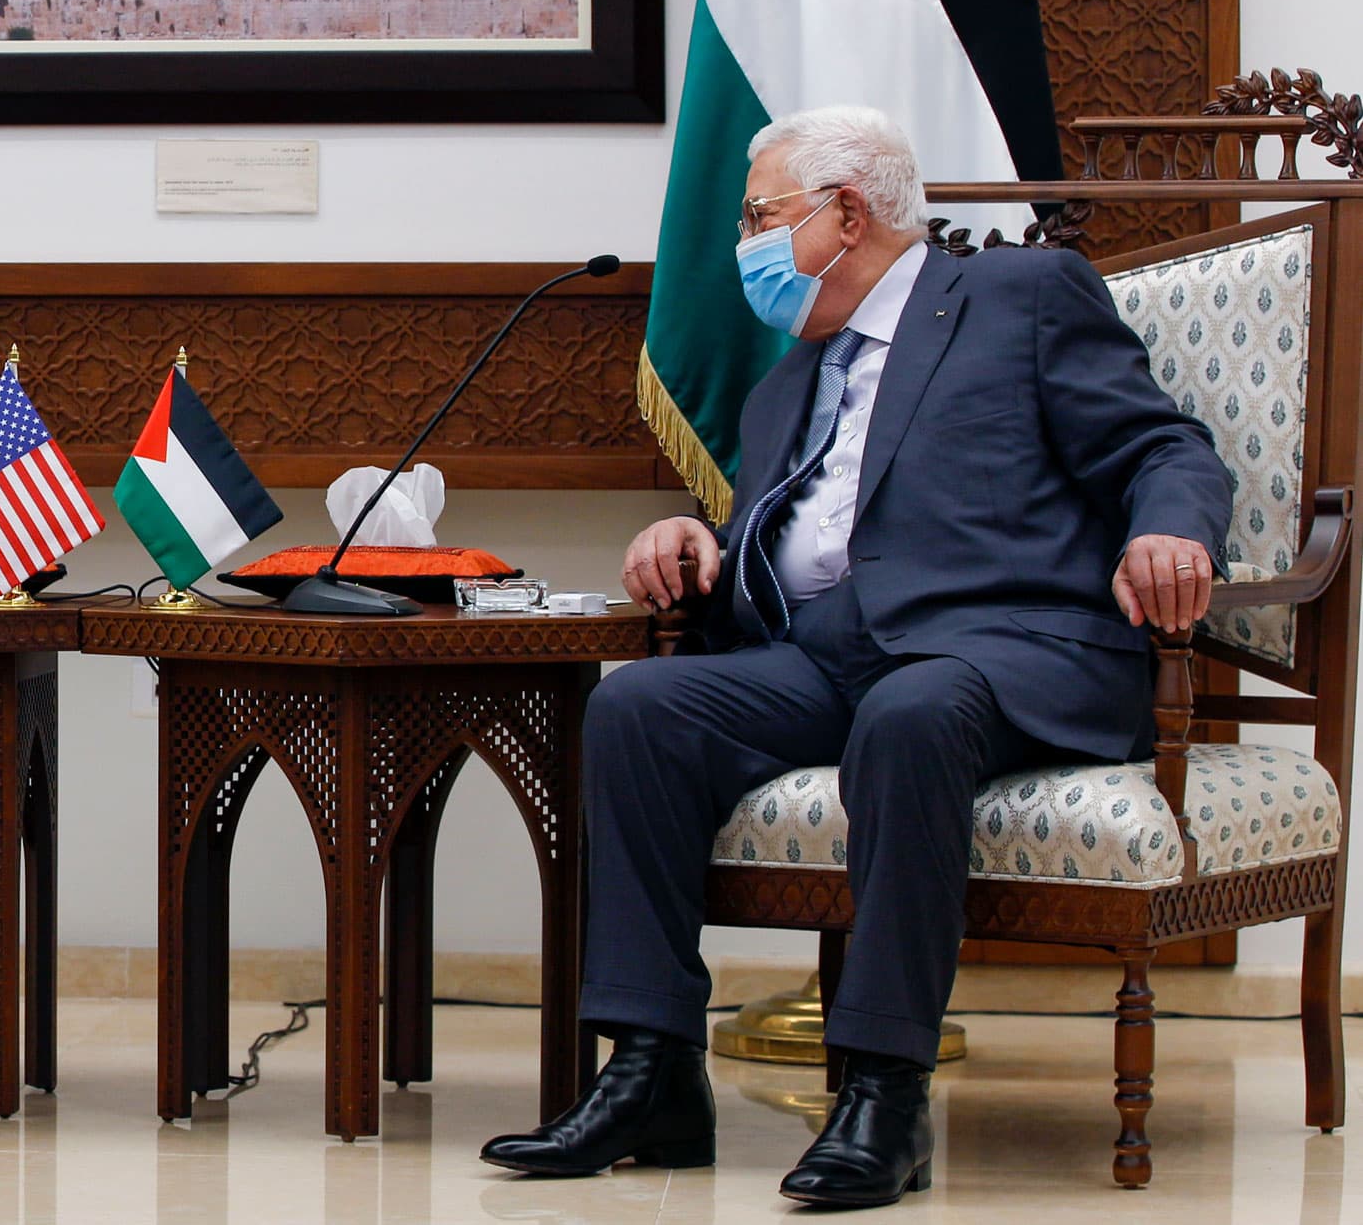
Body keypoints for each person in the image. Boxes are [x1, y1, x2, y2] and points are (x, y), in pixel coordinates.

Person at [479, 106, 1230, 1207]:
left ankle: (882, 1088)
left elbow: (1161, 443)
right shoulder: (789, 380)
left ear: (845, 211)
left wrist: (1172, 530)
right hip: (831, 654)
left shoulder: (1015, 296)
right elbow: (795, 539)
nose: (744, 242)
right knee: (640, 708)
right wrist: (703, 543)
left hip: (1002, 646)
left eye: (759, 215)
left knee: (912, 709)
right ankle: (650, 1070)